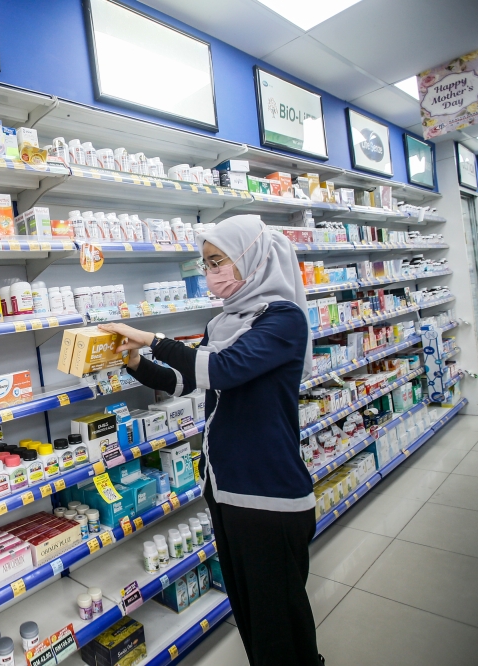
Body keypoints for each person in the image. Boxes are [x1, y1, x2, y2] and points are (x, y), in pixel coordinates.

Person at [99, 215, 321, 666]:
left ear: (250, 257)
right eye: (206, 263)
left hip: (269, 495)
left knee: (281, 625)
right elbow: (187, 380)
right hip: (226, 491)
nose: (210, 272)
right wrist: (134, 361)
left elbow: (222, 369)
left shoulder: (283, 318)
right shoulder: (224, 322)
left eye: (217, 260)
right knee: (255, 618)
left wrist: (155, 337)